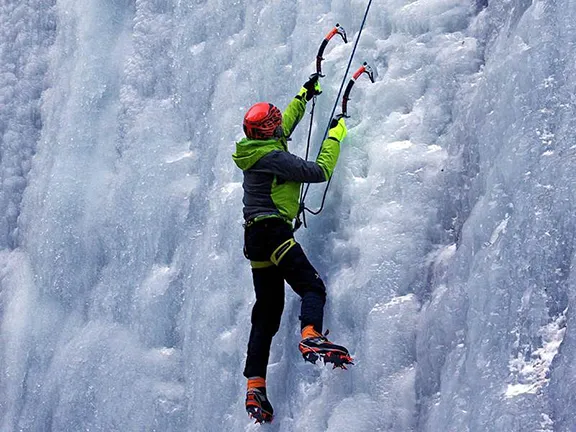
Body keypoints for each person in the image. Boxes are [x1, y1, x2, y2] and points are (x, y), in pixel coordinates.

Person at [232, 75, 353, 424]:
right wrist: (336, 133)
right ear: (264, 132)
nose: (276, 125)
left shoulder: (254, 149)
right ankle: (310, 336)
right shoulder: (272, 156)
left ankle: (255, 385)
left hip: (255, 240)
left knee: (267, 312)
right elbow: (319, 170)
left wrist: (305, 92)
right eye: (271, 123)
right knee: (311, 286)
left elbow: (285, 122)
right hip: (273, 232)